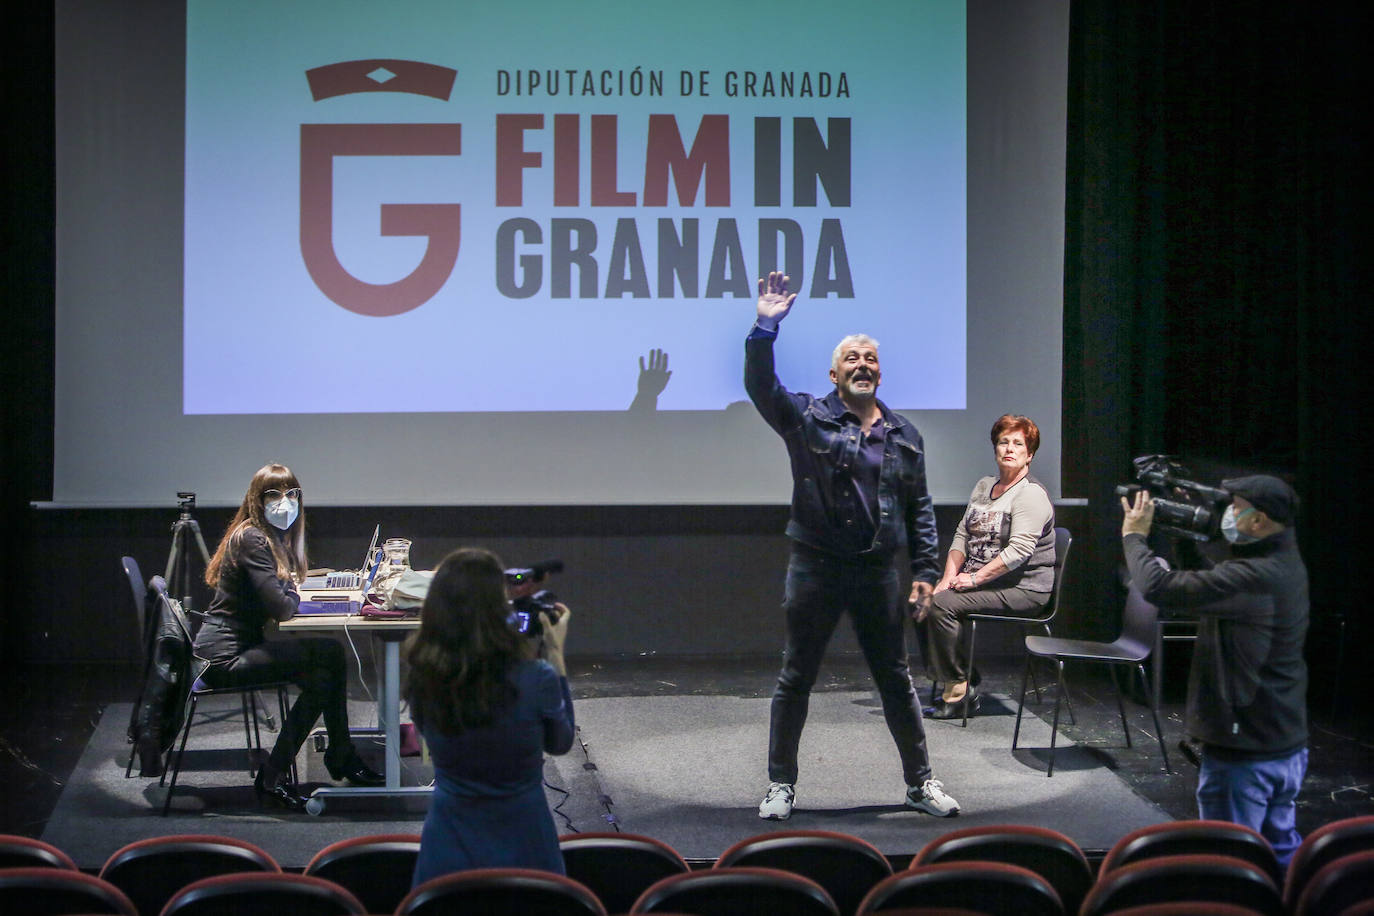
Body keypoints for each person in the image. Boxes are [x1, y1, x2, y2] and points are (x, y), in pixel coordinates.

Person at [746, 270, 959, 821]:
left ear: (879, 372)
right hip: (815, 567)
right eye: (852, 359)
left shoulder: (905, 436)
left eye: (870, 359)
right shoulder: (808, 419)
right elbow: (761, 388)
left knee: (896, 679)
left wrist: (926, 573)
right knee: (797, 676)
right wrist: (765, 328)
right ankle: (780, 785)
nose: (863, 365)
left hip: (877, 572)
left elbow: (920, 508)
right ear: (833, 373)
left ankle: (920, 783)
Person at [1121, 475, 1309, 866]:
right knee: (1279, 856)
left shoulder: (1256, 576)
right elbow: (1207, 583)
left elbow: (1157, 587)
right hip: (1281, 742)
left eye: (1236, 509)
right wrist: (1185, 534)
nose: (1228, 515)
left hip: (1245, 751)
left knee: (1230, 863)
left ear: (1258, 522)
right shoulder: (1282, 562)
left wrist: (1134, 537)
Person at [195, 463, 383, 811]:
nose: (285, 502)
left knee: (325, 663)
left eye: (292, 494)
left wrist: (291, 590)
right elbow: (283, 608)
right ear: (257, 500)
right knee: (326, 658)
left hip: (239, 644)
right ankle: (320, 762)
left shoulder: (265, 536)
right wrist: (295, 593)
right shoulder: (252, 538)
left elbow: (280, 595)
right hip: (222, 656)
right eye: (274, 494)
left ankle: (312, 762)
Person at [407, 548, 575, 883]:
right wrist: (555, 655)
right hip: (527, 839)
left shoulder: (424, 673)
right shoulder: (536, 676)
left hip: (447, 841)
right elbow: (561, 742)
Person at [920, 415, 1056, 719]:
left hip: (1023, 589)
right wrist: (949, 578)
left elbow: (1019, 551)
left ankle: (957, 691)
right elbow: (962, 535)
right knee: (925, 599)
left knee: (941, 606)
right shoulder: (984, 486)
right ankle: (960, 676)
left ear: (1029, 454)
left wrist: (975, 579)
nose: (1009, 448)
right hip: (986, 582)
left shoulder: (1030, 494)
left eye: (1018, 443)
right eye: (1003, 441)